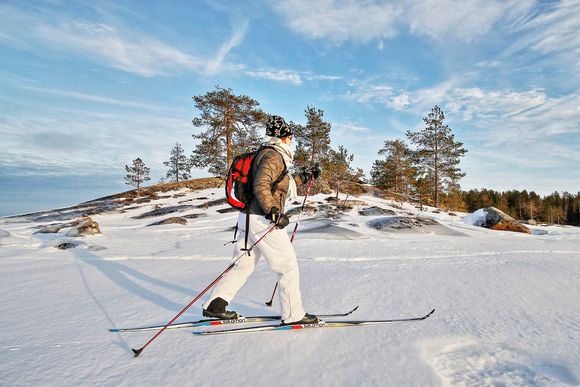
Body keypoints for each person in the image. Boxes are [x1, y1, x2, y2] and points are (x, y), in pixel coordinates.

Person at [202, 115, 321, 325]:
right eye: (290, 137)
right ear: (282, 137)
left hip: (248, 218)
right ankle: (294, 315)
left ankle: (215, 305)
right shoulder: (273, 156)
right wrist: (273, 211)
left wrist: (305, 176)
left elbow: (280, 183)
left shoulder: (267, 154)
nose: (292, 140)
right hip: (262, 219)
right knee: (287, 266)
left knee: (243, 265)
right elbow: (261, 185)